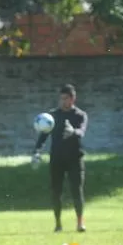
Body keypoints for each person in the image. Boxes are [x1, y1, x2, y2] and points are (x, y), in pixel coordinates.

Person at [33, 84, 89, 233]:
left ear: (72, 99)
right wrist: (37, 152)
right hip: (57, 159)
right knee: (56, 192)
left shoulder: (80, 115)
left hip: (75, 159)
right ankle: (58, 224)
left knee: (77, 190)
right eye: (61, 98)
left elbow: (82, 132)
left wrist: (73, 131)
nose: (62, 101)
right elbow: (43, 136)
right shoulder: (53, 116)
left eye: (66, 98)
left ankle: (80, 223)